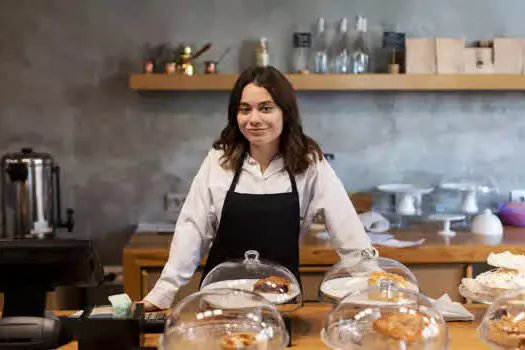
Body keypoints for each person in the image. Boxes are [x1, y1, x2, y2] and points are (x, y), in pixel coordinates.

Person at [142, 66, 371, 310]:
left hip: (283, 303)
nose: (253, 119)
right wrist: (163, 292)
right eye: (244, 109)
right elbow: (193, 228)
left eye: (265, 108)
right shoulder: (220, 159)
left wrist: (372, 283)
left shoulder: (309, 162)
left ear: (285, 112)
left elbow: (346, 226)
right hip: (219, 302)